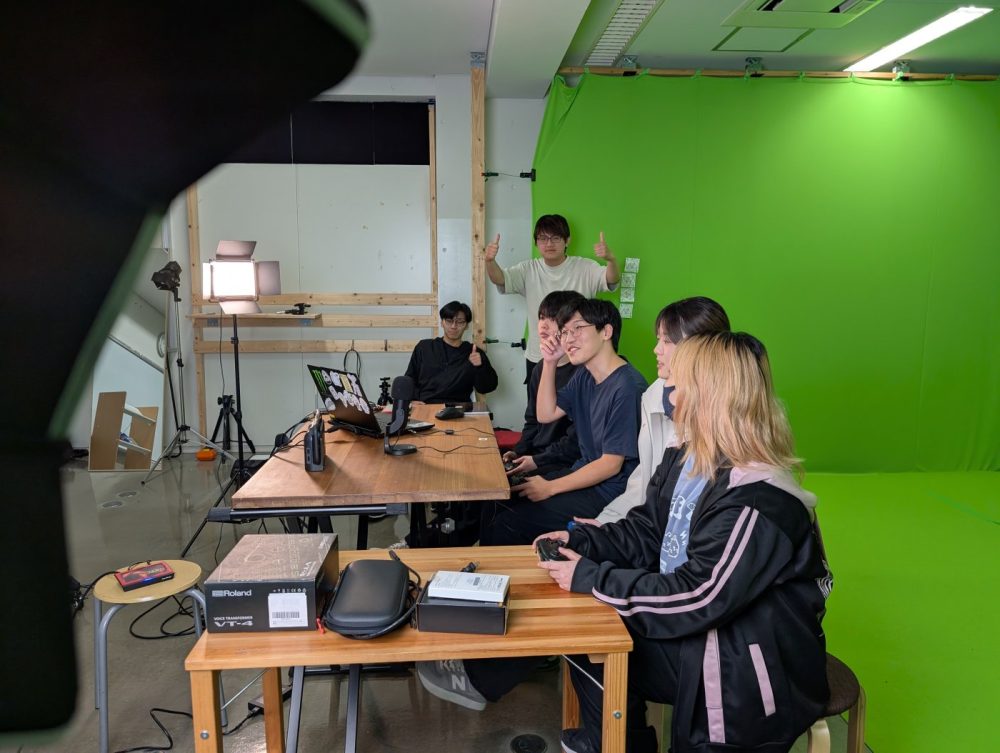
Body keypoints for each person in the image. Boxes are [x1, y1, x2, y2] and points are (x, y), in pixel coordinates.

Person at [419, 332, 831, 753]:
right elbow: (648, 529)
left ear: (709, 397)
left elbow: (699, 595)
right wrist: (584, 540)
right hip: (704, 636)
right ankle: (612, 741)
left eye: (677, 386)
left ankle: (598, 735)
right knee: (584, 623)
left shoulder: (758, 501)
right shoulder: (689, 456)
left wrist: (593, 577)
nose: (669, 396)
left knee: (592, 624)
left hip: (743, 669)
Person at [480, 298, 647, 545]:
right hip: (582, 473)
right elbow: (545, 414)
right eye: (565, 332)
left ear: (606, 332)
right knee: (496, 500)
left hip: (608, 490)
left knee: (509, 522)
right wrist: (549, 362)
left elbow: (610, 465)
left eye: (578, 329)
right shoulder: (586, 375)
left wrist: (550, 487)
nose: (568, 339)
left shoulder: (627, 386)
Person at [581, 296, 730, 526]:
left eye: (667, 341)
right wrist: (606, 524)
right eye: (658, 339)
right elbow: (644, 480)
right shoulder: (654, 396)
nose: (656, 349)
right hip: (652, 530)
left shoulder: (731, 412)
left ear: (701, 348)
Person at [485, 214, 621, 387]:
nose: (549, 244)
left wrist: (611, 260)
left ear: (567, 240)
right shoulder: (528, 269)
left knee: (579, 403)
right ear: (536, 242)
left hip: (578, 355)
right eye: (543, 238)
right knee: (538, 402)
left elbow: (611, 280)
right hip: (539, 355)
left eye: (555, 238)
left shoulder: (585, 267)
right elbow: (500, 279)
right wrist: (489, 261)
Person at [503, 290, 587, 479]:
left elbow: (576, 440)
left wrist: (537, 460)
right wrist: (519, 451)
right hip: (540, 455)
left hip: (565, 461)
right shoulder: (540, 368)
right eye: (541, 317)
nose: (543, 325)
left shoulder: (585, 372)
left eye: (553, 319)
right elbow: (533, 420)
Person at [404, 300, 498, 403]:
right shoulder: (424, 347)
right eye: (449, 321)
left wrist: (480, 367)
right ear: (442, 322)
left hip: (459, 408)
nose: (453, 326)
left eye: (460, 322)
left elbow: (486, 388)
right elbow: (409, 379)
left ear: (466, 325)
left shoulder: (474, 353)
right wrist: (412, 401)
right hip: (425, 405)